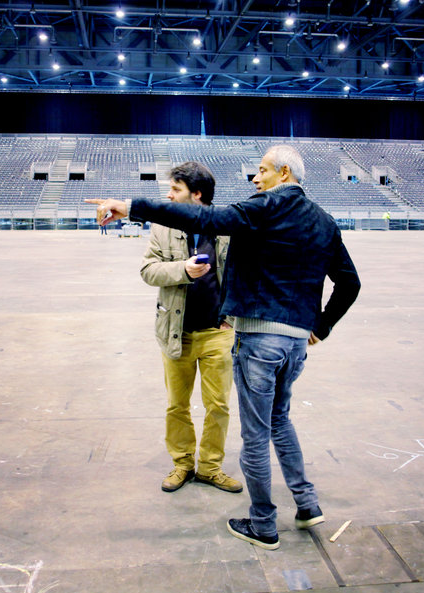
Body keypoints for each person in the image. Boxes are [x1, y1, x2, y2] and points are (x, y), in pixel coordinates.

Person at [87, 145, 361, 550]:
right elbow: (349, 283)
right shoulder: (324, 220)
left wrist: (131, 206)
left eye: (263, 170)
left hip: (256, 339)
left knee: (254, 437)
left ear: (283, 173)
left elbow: (209, 217)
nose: (255, 178)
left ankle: (264, 525)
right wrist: (320, 326)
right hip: (295, 344)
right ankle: (306, 505)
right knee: (280, 421)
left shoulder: (264, 207)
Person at [140, 162, 241, 494]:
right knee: (176, 405)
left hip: (217, 332)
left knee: (219, 406)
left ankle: (210, 468)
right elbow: (148, 270)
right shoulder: (162, 226)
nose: (168, 195)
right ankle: (182, 464)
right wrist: (182, 270)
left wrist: (233, 319)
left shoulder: (227, 227)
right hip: (176, 332)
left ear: (197, 195)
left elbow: (242, 276)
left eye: (176, 189)